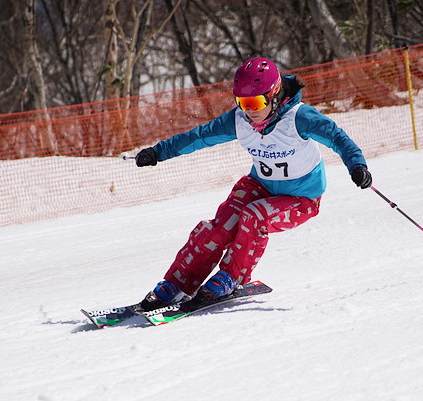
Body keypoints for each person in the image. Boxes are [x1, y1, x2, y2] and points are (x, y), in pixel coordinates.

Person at [125, 57, 372, 311]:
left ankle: (231, 277)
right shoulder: (240, 120)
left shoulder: (299, 118)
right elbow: (199, 136)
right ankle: (176, 284)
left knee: (254, 216)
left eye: (255, 102)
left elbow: (336, 137)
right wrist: (158, 152)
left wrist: (357, 165)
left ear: (274, 94)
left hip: (302, 198)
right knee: (219, 228)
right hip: (260, 185)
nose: (249, 111)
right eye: (242, 103)